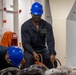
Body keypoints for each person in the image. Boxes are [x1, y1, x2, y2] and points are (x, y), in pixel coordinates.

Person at [21, 2, 56, 69]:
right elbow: (25, 43)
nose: (37, 17)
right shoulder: (25, 26)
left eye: (38, 16)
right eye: (35, 15)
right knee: (29, 59)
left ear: (41, 14)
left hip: (42, 49)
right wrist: (33, 52)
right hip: (29, 50)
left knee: (52, 61)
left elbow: (50, 40)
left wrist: (52, 53)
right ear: (31, 14)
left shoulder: (47, 26)